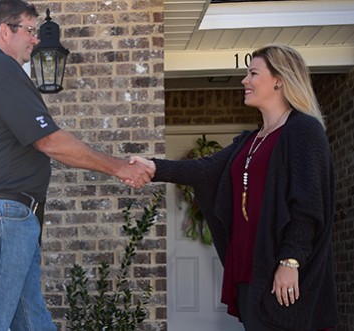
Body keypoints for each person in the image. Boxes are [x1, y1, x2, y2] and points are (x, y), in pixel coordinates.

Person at [0, 1, 153, 330]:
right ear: (5, 31)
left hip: (9, 217)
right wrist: (121, 168)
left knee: (32, 321)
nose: (35, 39)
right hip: (2, 217)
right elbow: (50, 141)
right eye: (29, 30)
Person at [131, 44, 338, 330]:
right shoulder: (250, 140)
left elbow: (308, 205)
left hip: (283, 269)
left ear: (279, 80)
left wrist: (291, 262)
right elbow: (205, 170)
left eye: (253, 73)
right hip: (250, 268)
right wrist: (154, 168)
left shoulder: (303, 130)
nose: (244, 80)